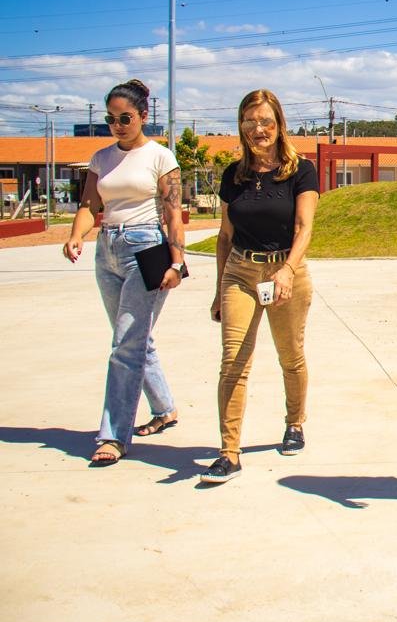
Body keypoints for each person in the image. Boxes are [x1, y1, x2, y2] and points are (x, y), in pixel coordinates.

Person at [62, 79, 185, 465]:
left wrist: (177, 262)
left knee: (125, 345)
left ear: (144, 116)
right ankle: (165, 408)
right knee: (134, 339)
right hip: (108, 250)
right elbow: (89, 204)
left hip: (146, 250)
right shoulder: (101, 158)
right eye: (111, 118)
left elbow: (172, 213)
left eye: (125, 117)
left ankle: (113, 436)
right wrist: (75, 235)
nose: (118, 124)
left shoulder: (161, 157)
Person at [200, 90, 319, 484]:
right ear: (241, 126)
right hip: (240, 272)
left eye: (265, 121)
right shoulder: (233, 176)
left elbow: (304, 227)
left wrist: (287, 269)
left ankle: (295, 422)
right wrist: (219, 289)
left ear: (279, 123)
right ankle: (228, 452)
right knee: (233, 359)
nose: (258, 129)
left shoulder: (300, 170)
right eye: (250, 122)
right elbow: (223, 237)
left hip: (287, 272)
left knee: (291, 355)